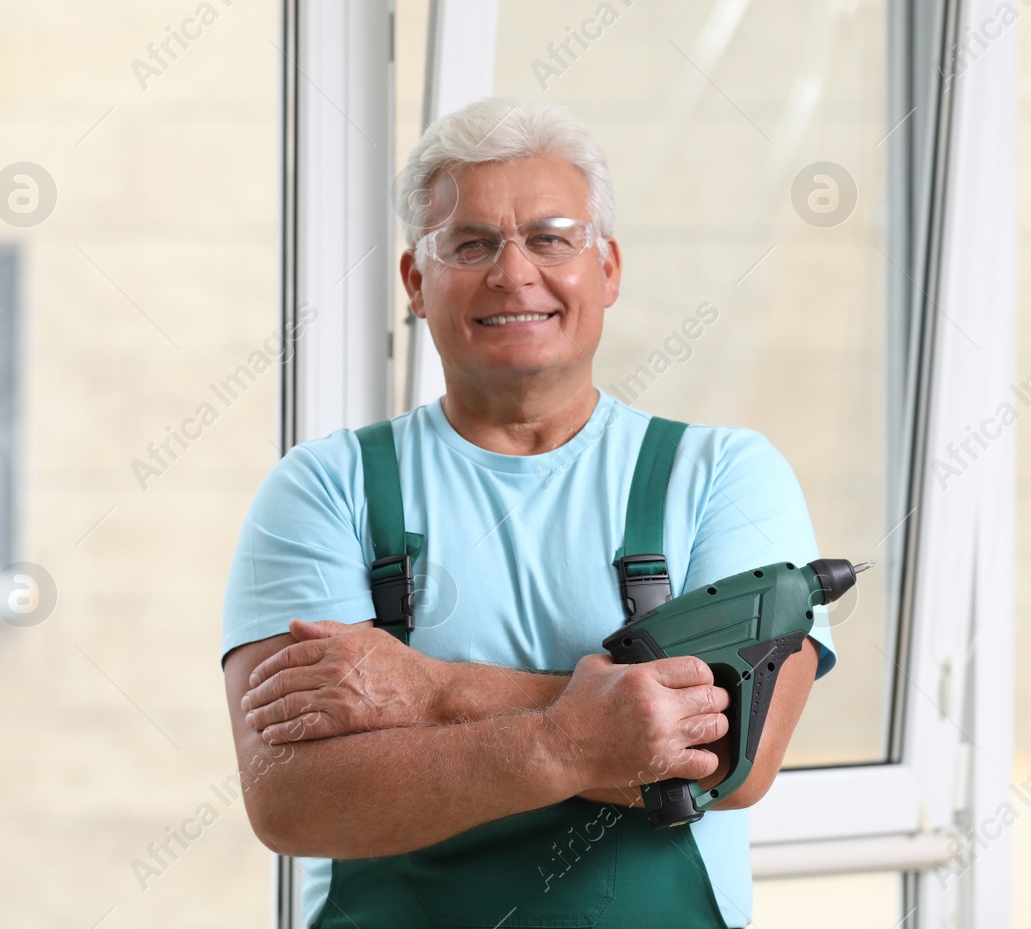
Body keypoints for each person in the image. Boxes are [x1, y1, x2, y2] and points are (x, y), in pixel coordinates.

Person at [219, 95, 838, 929]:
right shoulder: (325, 489)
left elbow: (734, 760)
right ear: (415, 280)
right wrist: (586, 737)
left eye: (551, 238)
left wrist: (431, 690)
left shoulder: (725, 474)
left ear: (609, 269)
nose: (514, 273)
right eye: (470, 244)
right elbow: (293, 800)